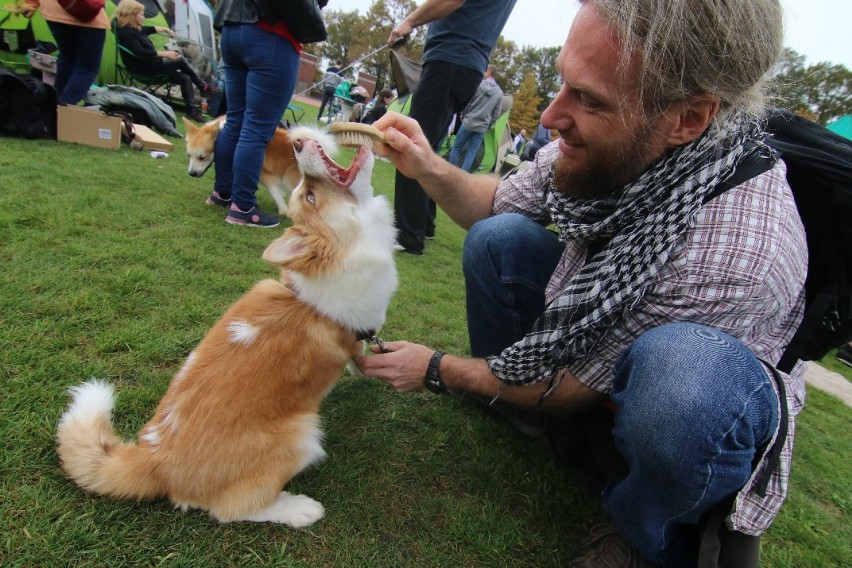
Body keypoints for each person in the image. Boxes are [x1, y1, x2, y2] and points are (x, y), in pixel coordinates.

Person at [357, 0, 806, 566]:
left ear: (689, 119)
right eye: (564, 84)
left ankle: (646, 533)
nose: (548, 116)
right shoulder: (623, 140)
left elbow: (575, 384)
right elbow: (494, 203)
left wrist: (436, 367)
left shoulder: (735, 247)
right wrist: (426, 164)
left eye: (587, 98)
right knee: (500, 238)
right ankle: (520, 407)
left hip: (673, 396)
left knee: (684, 378)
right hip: (599, 358)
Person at [387, 0, 518, 255]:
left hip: (449, 58)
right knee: (428, 144)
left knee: (410, 144)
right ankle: (424, 225)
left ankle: (408, 236)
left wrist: (409, 21)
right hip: (470, 66)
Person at [206, 0, 304, 228]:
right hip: (271, 31)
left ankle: (222, 193)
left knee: (235, 120)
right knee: (257, 129)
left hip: (232, 27)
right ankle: (243, 207)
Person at [114, 0, 217, 122]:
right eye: (141, 14)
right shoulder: (128, 33)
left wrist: (165, 29)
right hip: (143, 68)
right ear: (132, 14)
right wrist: (165, 54)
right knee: (179, 59)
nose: (144, 16)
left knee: (185, 78)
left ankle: (192, 111)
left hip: (150, 64)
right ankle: (202, 86)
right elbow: (140, 53)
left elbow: (148, 29)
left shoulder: (133, 28)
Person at [22, 0, 109, 105]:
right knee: (87, 68)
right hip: (86, 14)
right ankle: (63, 109)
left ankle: (53, 108)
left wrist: (31, 3)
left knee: (67, 60)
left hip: (53, 12)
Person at [447, 65, 504, 172]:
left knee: (456, 148)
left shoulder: (478, 85)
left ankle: (449, 172)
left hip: (468, 122)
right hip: (481, 128)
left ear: (488, 72)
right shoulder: (499, 94)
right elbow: (496, 114)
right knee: (471, 153)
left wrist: (463, 114)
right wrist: (488, 125)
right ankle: (462, 176)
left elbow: (469, 102)